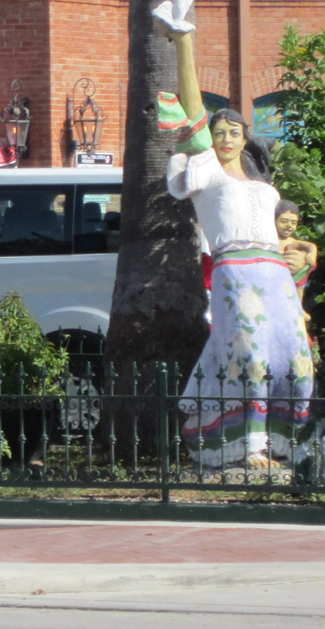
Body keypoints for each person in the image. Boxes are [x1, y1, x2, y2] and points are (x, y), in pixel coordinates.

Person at [154, 1, 315, 469]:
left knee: (295, 358)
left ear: (246, 139)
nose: (225, 137)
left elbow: (283, 236)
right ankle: (250, 446)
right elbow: (192, 114)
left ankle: (294, 446)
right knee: (250, 359)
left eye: (234, 132)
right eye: (220, 131)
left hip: (275, 276)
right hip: (235, 273)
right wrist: (184, 40)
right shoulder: (203, 170)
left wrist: (305, 253)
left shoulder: (266, 188)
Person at [275, 199, 318, 321]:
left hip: (293, 276)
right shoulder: (271, 239)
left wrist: (312, 255)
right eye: (284, 221)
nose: (289, 226)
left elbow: (311, 246)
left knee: (301, 280)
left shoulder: (292, 241)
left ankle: (298, 307)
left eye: (294, 223)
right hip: (277, 275)